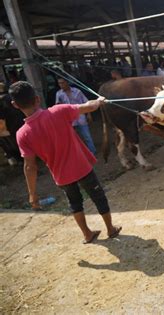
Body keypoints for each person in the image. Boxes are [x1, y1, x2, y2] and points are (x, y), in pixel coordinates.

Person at [10, 81, 121, 244]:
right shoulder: (58, 111)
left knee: (75, 203)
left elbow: (29, 166)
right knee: (98, 197)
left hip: (61, 175)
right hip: (82, 167)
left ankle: (87, 234)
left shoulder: (22, 135)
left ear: (14, 105)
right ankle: (110, 229)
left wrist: (32, 193)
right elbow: (88, 107)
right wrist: (99, 101)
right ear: (37, 99)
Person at [55, 78, 96, 155]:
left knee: (87, 136)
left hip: (80, 116)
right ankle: (77, 153)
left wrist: (89, 114)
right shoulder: (59, 94)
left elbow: (86, 102)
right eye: (59, 83)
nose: (61, 85)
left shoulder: (77, 91)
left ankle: (92, 151)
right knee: (72, 138)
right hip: (69, 119)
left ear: (67, 82)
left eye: (63, 83)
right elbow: (58, 107)